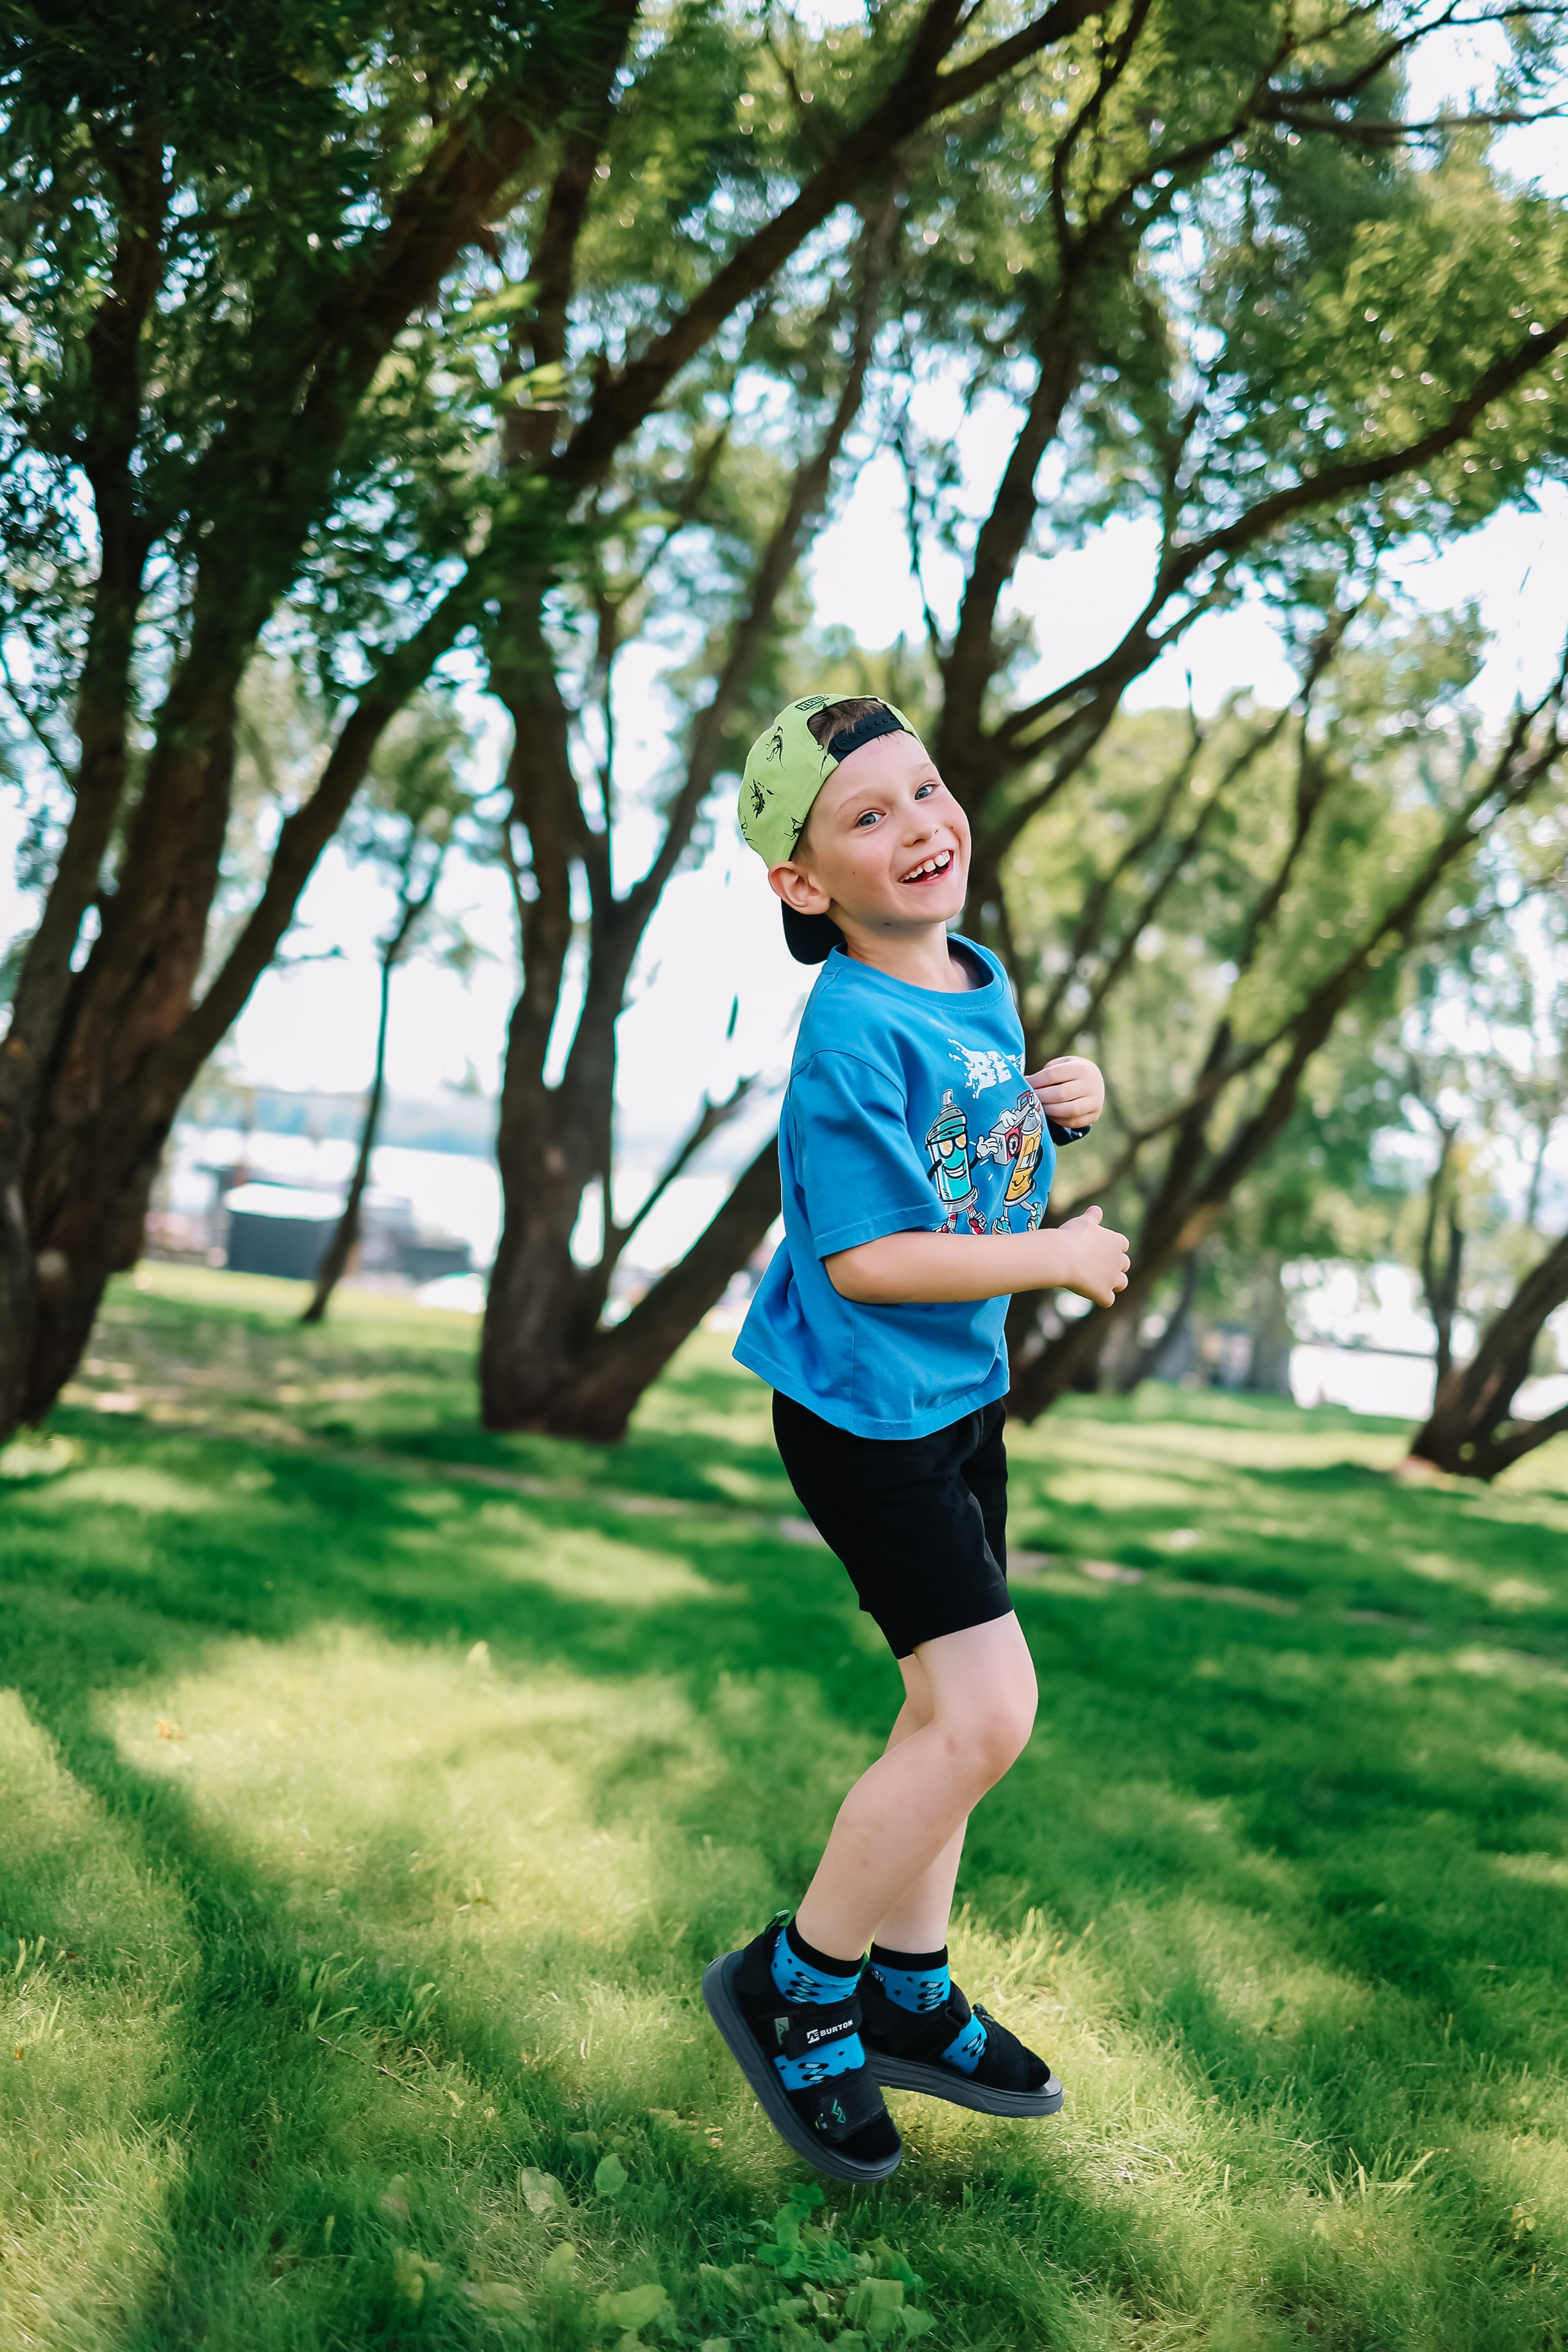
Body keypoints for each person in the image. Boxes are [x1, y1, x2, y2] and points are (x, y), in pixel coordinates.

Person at [702, 693, 1129, 2184]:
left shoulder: (970, 978)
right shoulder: (845, 1030)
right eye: (866, 817)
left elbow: (969, 1155)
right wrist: (1056, 1255)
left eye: (923, 790)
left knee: (941, 1722)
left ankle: (907, 1989)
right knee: (987, 1715)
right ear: (804, 884)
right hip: (862, 1416)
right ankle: (797, 1989)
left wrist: (1048, 1108)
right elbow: (871, 1256)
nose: (919, 826)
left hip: (954, 1398)